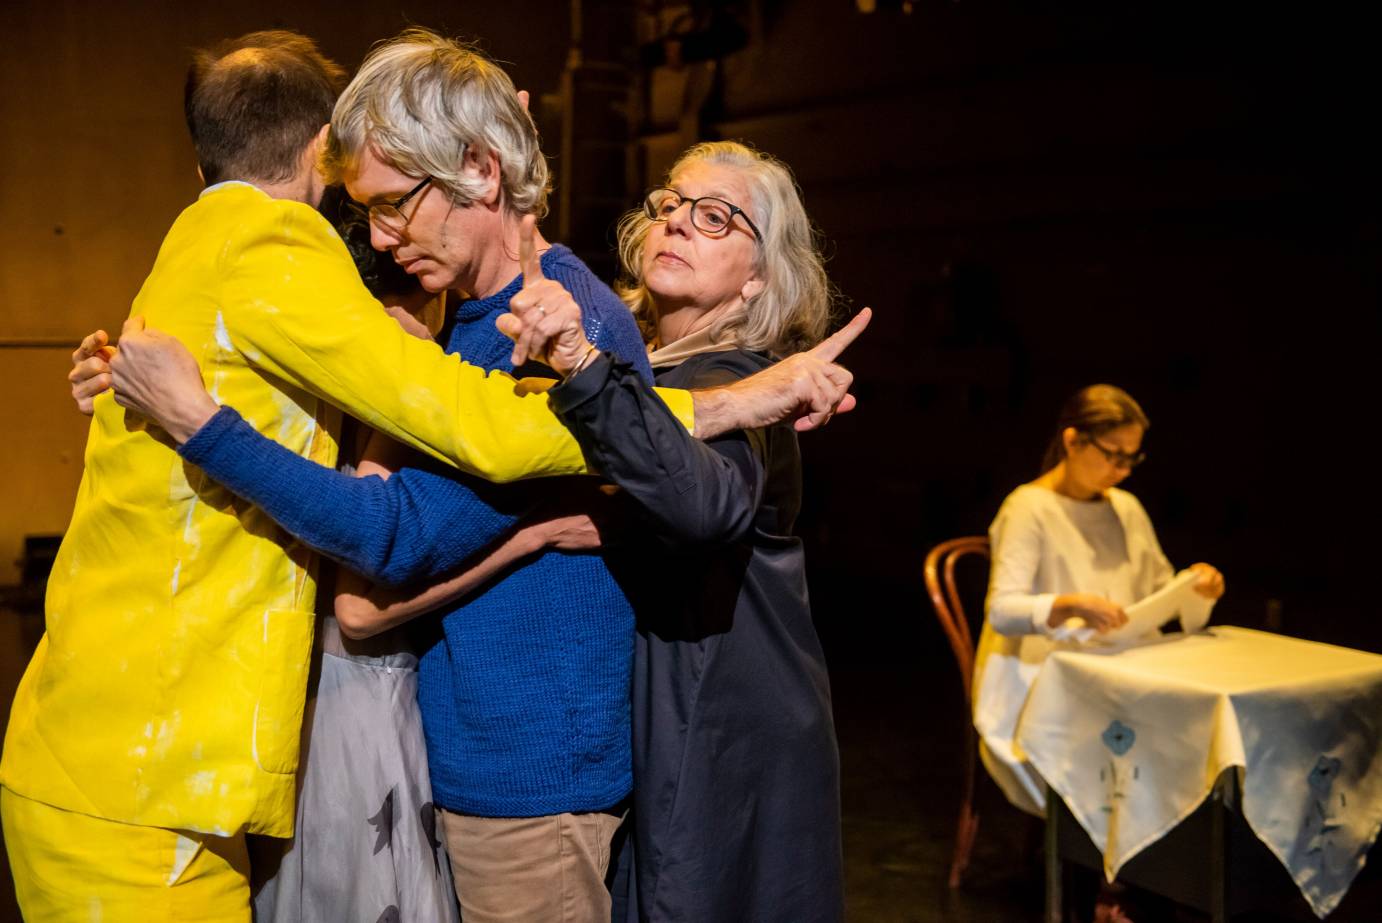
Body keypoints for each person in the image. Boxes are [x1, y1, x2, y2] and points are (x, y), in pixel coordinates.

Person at [7, 29, 860, 919]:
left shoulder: (560, 327)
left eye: (393, 205)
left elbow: (386, 551)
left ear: (479, 171)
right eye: (673, 204)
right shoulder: (468, 317)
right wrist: (137, 379)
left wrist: (203, 424)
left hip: (530, 779)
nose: (377, 235)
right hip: (464, 760)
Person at [498, 140, 850, 922]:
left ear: (758, 274)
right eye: (670, 204)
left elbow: (702, 506)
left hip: (722, 728)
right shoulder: (650, 356)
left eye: (716, 217)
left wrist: (582, 369)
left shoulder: (739, 376)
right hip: (688, 713)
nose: (679, 223)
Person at [973, 384, 1226, 820]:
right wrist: (1068, 604)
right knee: (1144, 727)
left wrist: (1198, 587)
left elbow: (1163, 591)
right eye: (1113, 454)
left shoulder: (1126, 508)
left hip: (1121, 662)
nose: (1122, 469)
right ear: (1073, 441)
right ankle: (1111, 846)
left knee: (1192, 710)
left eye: (1131, 458)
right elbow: (1002, 610)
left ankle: (1175, 839)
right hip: (1050, 676)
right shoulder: (1029, 506)